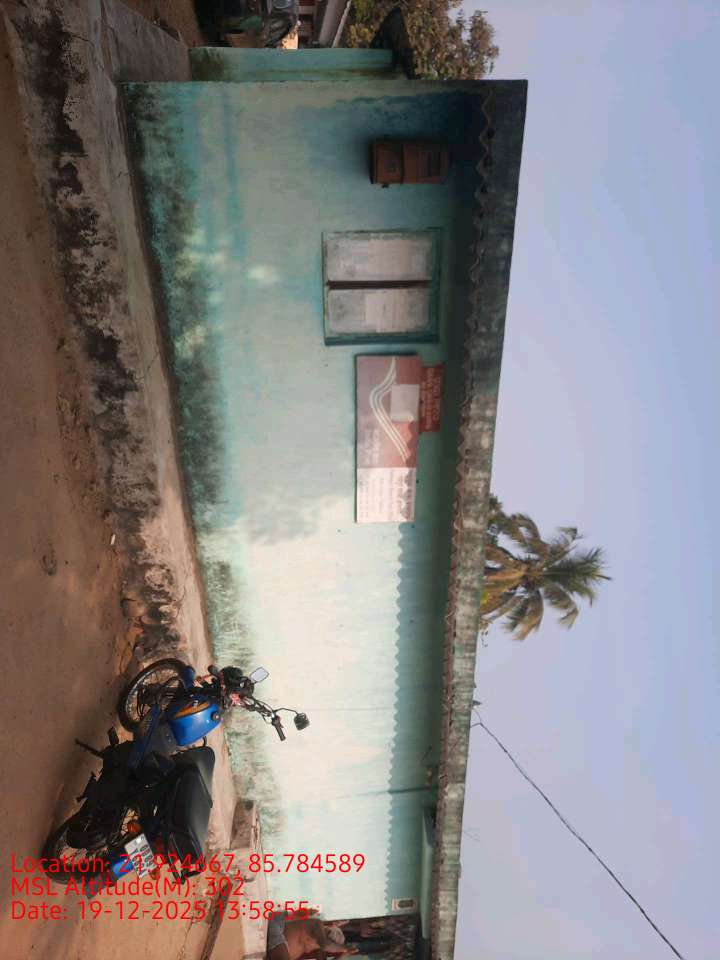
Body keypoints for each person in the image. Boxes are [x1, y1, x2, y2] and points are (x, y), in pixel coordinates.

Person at [267, 910, 359, 960]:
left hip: (278, 944)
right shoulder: (317, 924)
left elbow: (325, 946)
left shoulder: (319, 949)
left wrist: (345, 954)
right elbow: (325, 944)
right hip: (277, 927)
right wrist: (346, 948)